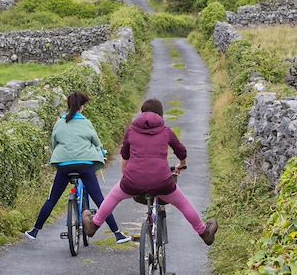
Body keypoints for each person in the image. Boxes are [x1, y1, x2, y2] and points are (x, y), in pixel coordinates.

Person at [82, 98, 218, 245]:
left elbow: (125, 155)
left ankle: (93, 225)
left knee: (114, 196)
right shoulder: (166, 131)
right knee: (182, 203)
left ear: (141, 113)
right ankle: (204, 233)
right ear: (161, 115)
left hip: (133, 181)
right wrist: (182, 164)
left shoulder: (131, 131)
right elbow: (181, 151)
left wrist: (125, 175)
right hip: (162, 182)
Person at [25, 91, 131, 244]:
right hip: (85, 165)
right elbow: (96, 142)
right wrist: (102, 152)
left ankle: (34, 231)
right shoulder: (85, 122)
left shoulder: (60, 122)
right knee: (101, 201)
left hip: (64, 166)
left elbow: (54, 143)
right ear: (82, 107)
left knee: (52, 199)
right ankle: (118, 234)